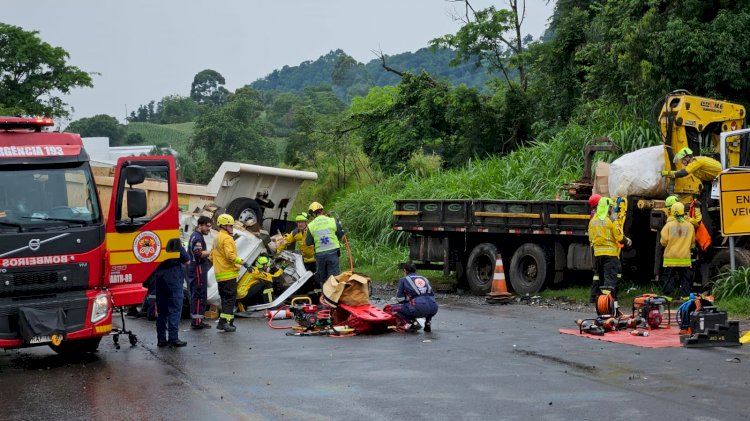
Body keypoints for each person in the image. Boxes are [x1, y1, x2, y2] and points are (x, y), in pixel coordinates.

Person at [210, 214, 249, 333]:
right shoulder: (227, 238)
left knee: (225, 299)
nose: (232, 228)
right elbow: (230, 256)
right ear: (223, 225)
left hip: (220, 275)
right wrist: (243, 263)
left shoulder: (217, 237)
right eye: (229, 226)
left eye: (232, 226)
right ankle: (226, 323)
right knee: (230, 299)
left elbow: (212, 256)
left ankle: (223, 322)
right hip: (228, 274)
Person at [588, 198, 630, 303]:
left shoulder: (593, 221)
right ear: (608, 208)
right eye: (611, 207)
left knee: (598, 277)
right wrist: (628, 241)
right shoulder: (611, 221)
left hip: (597, 254)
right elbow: (619, 237)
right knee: (609, 278)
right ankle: (607, 302)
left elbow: (590, 238)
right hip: (610, 255)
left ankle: (595, 298)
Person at [155, 243, 191, 348]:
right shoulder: (173, 240)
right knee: (175, 309)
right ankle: (173, 338)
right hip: (173, 277)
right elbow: (187, 259)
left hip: (159, 276)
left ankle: (161, 339)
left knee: (162, 311)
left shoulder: (158, 239)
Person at [387, 263, 439, 332]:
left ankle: (413, 323)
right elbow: (431, 295)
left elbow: (400, 299)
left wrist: (407, 302)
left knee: (393, 308)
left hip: (419, 307)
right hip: (434, 307)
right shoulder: (424, 278)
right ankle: (428, 322)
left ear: (405, 270)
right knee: (426, 302)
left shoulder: (403, 280)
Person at [276, 212, 318, 295]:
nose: (300, 224)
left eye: (302, 222)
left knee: (318, 278)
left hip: (316, 259)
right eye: (298, 222)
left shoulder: (312, 230)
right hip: (305, 260)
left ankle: (320, 293)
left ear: (306, 222)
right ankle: (308, 295)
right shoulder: (296, 232)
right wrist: (277, 251)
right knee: (305, 279)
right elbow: (286, 241)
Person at [660, 202, 695, 299]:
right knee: (685, 279)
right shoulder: (690, 226)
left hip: (670, 258)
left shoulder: (668, 226)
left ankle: (668, 297)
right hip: (684, 258)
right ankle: (685, 297)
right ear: (683, 212)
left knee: (668, 278)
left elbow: (663, 241)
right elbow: (692, 242)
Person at [305, 202, 344, 285]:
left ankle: (324, 296)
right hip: (333, 253)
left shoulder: (311, 225)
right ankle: (334, 296)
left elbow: (308, 242)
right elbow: (340, 235)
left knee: (323, 279)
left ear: (313, 214)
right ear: (322, 211)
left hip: (320, 255)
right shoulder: (332, 220)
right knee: (334, 278)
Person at [187, 216, 212, 329]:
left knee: (195, 294)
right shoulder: (198, 238)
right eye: (207, 226)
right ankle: (197, 322)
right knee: (199, 295)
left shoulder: (194, 235)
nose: (209, 229)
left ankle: (196, 320)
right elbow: (198, 253)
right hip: (198, 270)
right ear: (200, 225)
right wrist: (211, 252)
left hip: (194, 269)